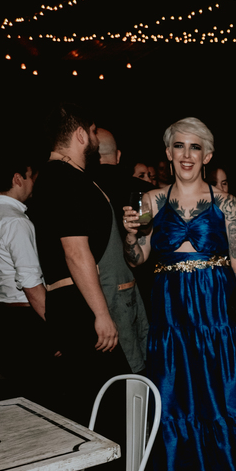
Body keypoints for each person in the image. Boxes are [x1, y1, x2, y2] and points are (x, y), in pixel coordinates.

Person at [121, 117, 236, 471]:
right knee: (175, 407)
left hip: (216, 312)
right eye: (178, 146)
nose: (186, 154)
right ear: (168, 153)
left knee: (226, 403)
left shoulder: (227, 203)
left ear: (208, 155)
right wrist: (130, 235)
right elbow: (137, 259)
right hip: (171, 318)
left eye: (194, 147)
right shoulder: (150, 201)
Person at [29, 103, 132, 426]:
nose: (95, 139)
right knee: (112, 396)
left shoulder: (53, 178)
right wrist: (101, 315)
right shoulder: (64, 180)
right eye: (91, 132)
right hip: (77, 304)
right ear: (79, 135)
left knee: (97, 397)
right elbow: (75, 252)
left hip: (70, 302)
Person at [0, 152, 52, 403]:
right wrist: (56, 329)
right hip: (25, 320)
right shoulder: (16, 221)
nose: (34, 183)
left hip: (1, 317)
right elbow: (30, 283)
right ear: (18, 178)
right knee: (42, 397)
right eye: (32, 177)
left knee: (20, 398)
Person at [91, 127, 151, 373]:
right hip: (141, 281)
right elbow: (148, 232)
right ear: (118, 155)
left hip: (96, 285)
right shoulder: (141, 190)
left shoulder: (86, 188)